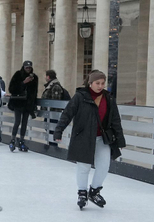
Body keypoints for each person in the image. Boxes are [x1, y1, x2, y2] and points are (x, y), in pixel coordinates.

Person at [53, 70, 126, 209]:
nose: (100, 86)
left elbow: (115, 120)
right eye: (97, 83)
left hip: (102, 138)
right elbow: (67, 114)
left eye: (103, 83)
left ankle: (94, 191)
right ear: (90, 83)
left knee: (104, 166)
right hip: (83, 136)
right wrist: (58, 131)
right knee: (84, 166)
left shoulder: (108, 98)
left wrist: (120, 140)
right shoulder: (80, 96)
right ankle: (82, 193)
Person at [6, 60, 39, 153]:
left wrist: (34, 105)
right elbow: (11, 88)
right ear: (23, 67)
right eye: (26, 68)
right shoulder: (18, 74)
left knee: (24, 123)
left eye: (29, 68)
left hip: (28, 104)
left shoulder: (34, 77)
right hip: (18, 102)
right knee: (17, 122)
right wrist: (23, 82)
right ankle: (12, 139)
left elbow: (35, 92)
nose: (28, 69)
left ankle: (22, 140)